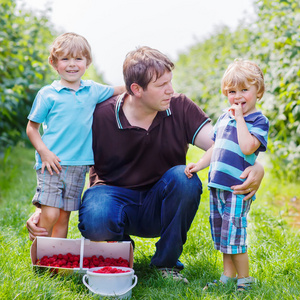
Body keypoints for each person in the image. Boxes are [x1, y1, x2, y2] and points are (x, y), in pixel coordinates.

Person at [27, 47, 264, 284]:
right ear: (136, 89)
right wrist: (46, 205)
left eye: (170, 82)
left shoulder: (179, 106)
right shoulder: (102, 115)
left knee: (184, 179)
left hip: (160, 201)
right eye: (162, 85)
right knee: (96, 214)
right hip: (113, 197)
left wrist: (257, 167)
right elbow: (64, 150)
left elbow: (222, 144)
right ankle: (120, 254)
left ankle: (166, 263)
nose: (170, 90)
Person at [26, 32, 125, 239]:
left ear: (87, 62)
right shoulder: (48, 94)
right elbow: (31, 128)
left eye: (78, 58)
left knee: (63, 218)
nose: (72, 64)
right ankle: (40, 258)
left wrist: (142, 84)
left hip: (79, 165)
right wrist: (44, 153)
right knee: (50, 213)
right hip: (52, 163)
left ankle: (55, 263)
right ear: (54, 63)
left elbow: (120, 89)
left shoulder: (92, 90)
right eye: (65, 59)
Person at [185, 59, 269, 290]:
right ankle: (228, 275)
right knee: (223, 234)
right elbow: (215, 148)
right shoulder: (224, 118)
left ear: (258, 92)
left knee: (235, 234)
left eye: (244, 90)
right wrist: (199, 165)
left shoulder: (258, 121)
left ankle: (245, 279)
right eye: (232, 91)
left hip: (237, 188)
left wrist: (240, 118)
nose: (238, 96)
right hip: (218, 186)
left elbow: (247, 147)